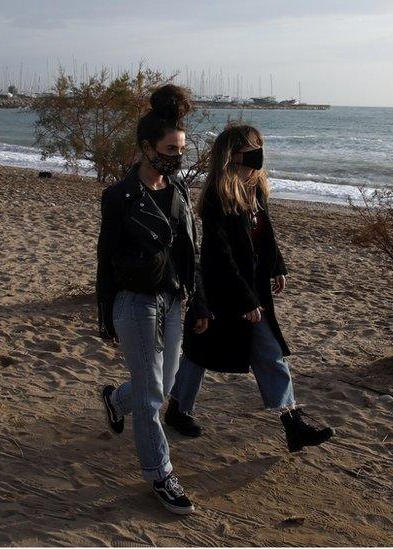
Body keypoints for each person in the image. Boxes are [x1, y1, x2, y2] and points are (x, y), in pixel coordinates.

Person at [166, 124, 335, 453]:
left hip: (251, 287)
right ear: (233, 155)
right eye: (252, 148)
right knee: (201, 353)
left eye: (260, 146)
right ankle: (178, 408)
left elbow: (265, 236)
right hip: (223, 292)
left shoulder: (256, 190)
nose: (259, 154)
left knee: (264, 353)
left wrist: (277, 267)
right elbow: (219, 255)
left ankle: (291, 421)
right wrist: (244, 299)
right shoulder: (218, 197)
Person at [96, 84, 209, 515]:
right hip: (134, 302)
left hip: (173, 301)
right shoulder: (119, 197)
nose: (177, 158)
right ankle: (160, 474)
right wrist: (105, 315)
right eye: (169, 150)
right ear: (146, 147)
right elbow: (105, 259)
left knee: (161, 384)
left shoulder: (178, 194)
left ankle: (113, 400)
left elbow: (189, 254)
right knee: (151, 399)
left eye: (181, 150)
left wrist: (196, 301)